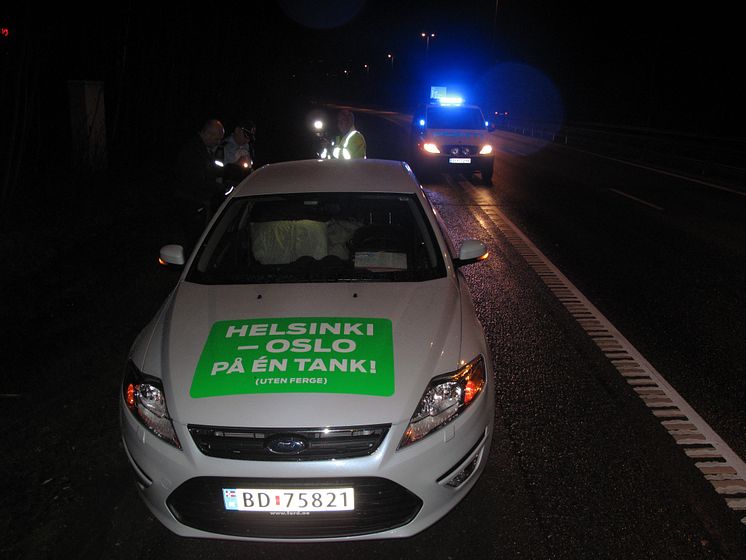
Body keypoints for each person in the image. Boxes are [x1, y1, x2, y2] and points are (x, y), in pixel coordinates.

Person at [173, 118, 226, 248]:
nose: (218, 142)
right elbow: (197, 180)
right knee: (193, 241)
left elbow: (210, 170)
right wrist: (222, 188)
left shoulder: (201, 148)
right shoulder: (193, 150)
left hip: (195, 203)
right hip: (190, 204)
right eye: (217, 138)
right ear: (208, 133)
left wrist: (227, 171)